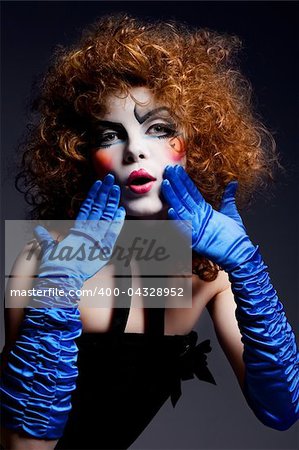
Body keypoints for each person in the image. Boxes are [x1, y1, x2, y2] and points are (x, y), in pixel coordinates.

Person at [1, 13, 298, 450]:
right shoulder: (41, 258)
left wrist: (247, 266)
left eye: (158, 129)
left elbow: (281, 411)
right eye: (110, 135)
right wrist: (59, 291)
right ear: (81, 155)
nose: (135, 148)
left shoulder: (208, 275)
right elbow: (23, 448)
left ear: (200, 143)